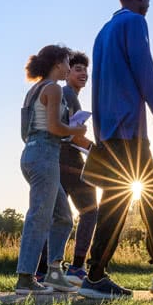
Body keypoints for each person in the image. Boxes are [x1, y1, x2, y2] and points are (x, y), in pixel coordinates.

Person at [79, 0, 153, 299]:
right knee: (148, 196)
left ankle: (101, 275)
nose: (149, 4)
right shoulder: (135, 22)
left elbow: (98, 86)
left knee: (119, 201)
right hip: (130, 129)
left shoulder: (102, 33)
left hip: (109, 131)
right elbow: (147, 78)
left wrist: (101, 135)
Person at [16, 45, 89, 295]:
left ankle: (54, 273)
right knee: (39, 216)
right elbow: (56, 128)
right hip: (45, 157)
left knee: (63, 218)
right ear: (58, 63)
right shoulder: (54, 88)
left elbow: (31, 130)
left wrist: (65, 133)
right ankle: (25, 278)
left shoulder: (33, 91)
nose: (70, 68)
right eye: (68, 63)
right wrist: (76, 130)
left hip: (33, 154)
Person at [35, 51, 98, 286]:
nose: (83, 73)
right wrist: (96, 149)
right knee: (90, 211)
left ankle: (42, 271)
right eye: (77, 69)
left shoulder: (69, 96)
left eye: (85, 69)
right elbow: (70, 135)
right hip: (69, 163)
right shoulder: (67, 95)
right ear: (67, 73)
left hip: (62, 162)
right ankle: (77, 267)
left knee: (57, 217)